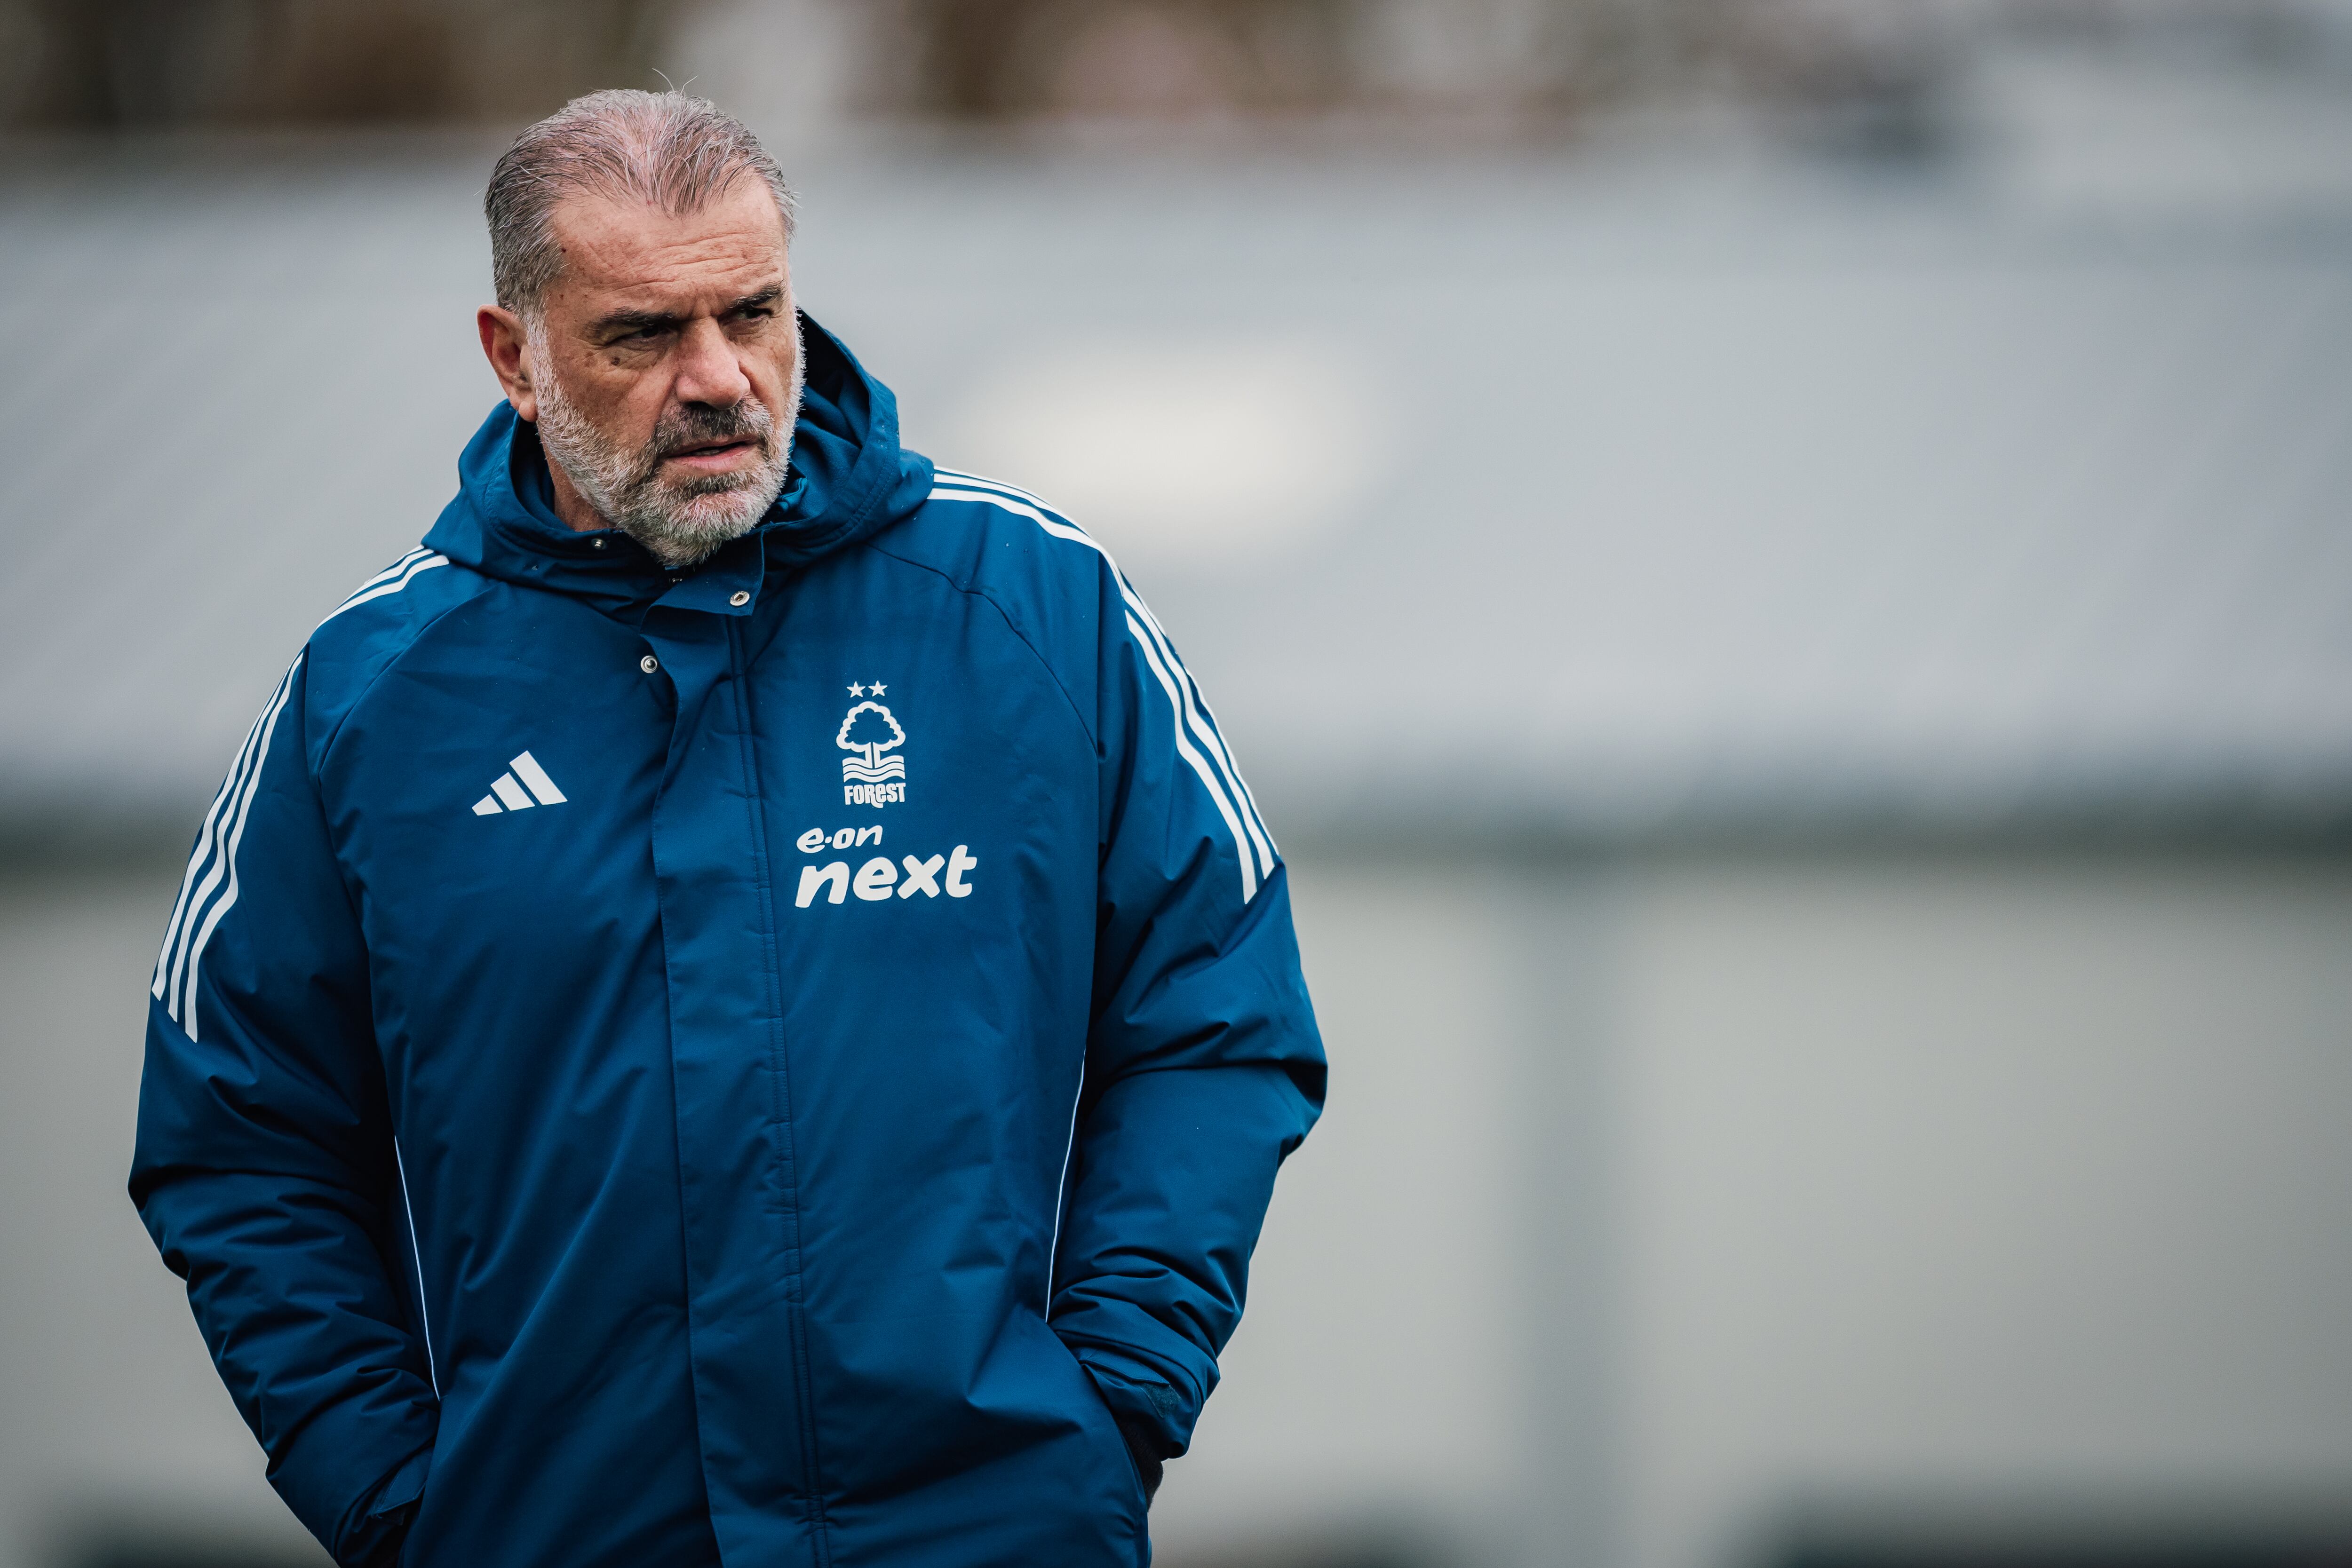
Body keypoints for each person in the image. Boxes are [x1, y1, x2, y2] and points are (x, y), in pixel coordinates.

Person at [130, 89, 1324, 1568]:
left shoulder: (1033, 607)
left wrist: (1115, 1402)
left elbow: (1219, 1015)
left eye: (752, 313)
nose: (719, 379)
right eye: (640, 336)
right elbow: (239, 1139)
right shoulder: (370, 701)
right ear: (514, 356)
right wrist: (392, 1503)